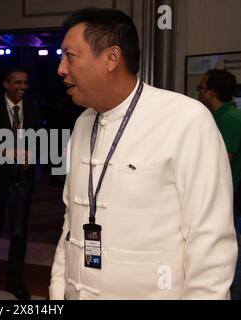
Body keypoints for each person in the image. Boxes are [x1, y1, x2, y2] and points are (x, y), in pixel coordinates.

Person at [49, 7, 238, 300]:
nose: (61, 68)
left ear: (111, 58)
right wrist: (58, 289)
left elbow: (210, 239)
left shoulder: (186, 119)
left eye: (69, 56)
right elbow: (70, 224)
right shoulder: (82, 123)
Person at [0, 67, 42, 300]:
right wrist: (3, 152)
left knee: (18, 233)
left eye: (25, 83)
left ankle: (15, 280)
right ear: (6, 84)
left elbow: (41, 144)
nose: (22, 87)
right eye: (17, 83)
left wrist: (32, 155)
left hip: (22, 183)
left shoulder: (34, 111)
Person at [198, 69, 241, 300]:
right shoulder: (217, 117)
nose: (199, 93)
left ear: (212, 93)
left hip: (229, 200)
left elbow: (221, 166)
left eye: (201, 88)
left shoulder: (230, 120)